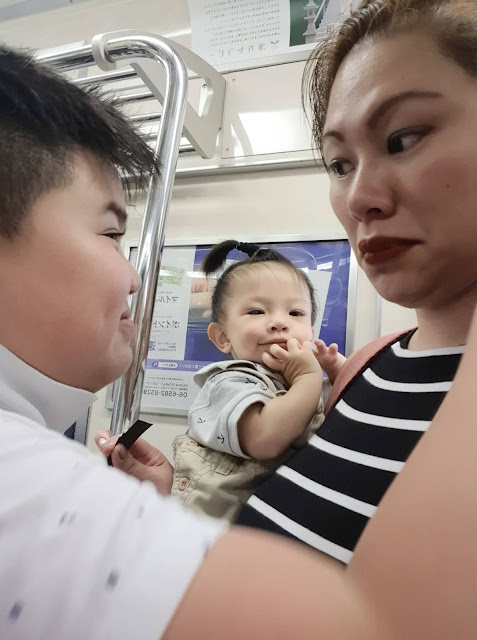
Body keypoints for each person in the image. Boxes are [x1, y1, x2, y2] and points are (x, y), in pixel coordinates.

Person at [2, 0, 477, 636]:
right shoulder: (361, 369)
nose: (360, 196)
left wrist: (154, 529)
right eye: (339, 165)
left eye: (404, 139)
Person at [170, 239, 345, 520]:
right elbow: (265, 439)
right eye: (256, 311)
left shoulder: (299, 380)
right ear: (223, 337)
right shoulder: (229, 383)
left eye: (295, 313)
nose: (280, 322)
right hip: (217, 529)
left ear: (311, 332)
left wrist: (338, 374)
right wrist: (309, 376)